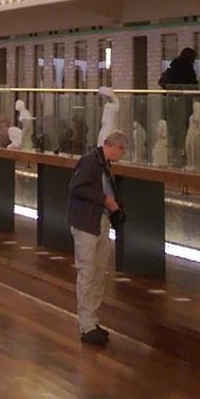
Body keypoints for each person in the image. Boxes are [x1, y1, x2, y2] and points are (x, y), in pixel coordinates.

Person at [67, 131, 126, 346]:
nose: (122, 155)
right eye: (122, 150)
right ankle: (86, 324)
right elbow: (77, 188)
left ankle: (92, 318)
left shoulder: (105, 165)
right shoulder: (90, 162)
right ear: (114, 147)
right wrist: (104, 200)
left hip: (100, 222)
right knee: (88, 271)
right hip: (86, 224)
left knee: (99, 271)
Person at [160, 43, 198, 164]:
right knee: (183, 128)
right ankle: (183, 152)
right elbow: (192, 85)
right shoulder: (188, 69)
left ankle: (173, 152)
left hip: (171, 102)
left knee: (173, 128)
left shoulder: (173, 67)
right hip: (183, 102)